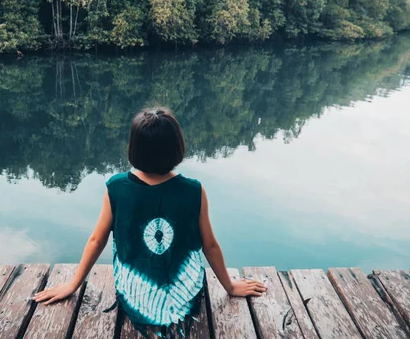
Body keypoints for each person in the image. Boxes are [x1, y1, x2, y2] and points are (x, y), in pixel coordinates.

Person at [33, 107, 266, 334]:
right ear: (177, 148)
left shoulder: (115, 187)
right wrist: (231, 286)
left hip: (136, 295)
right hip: (184, 293)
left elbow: (97, 240)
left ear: (134, 149)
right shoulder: (194, 190)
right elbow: (210, 246)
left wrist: (73, 284)